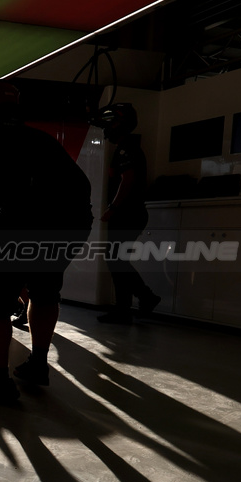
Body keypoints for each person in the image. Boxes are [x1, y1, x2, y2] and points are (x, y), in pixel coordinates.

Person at [0, 81, 93, 403]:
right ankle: (38, 364)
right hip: (72, 222)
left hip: (22, 223)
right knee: (44, 289)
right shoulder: (38, 138)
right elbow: (19, 179)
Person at [94, 103, 161, 323]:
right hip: (130, 214)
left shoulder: (126, 149)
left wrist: (112, 208)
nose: (107, 129)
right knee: (117, 260)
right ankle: (129, 306)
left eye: (110, 124)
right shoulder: (126, 148)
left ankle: (141, 299)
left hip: (127, 214)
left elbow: (128, 180)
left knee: (116, 260)